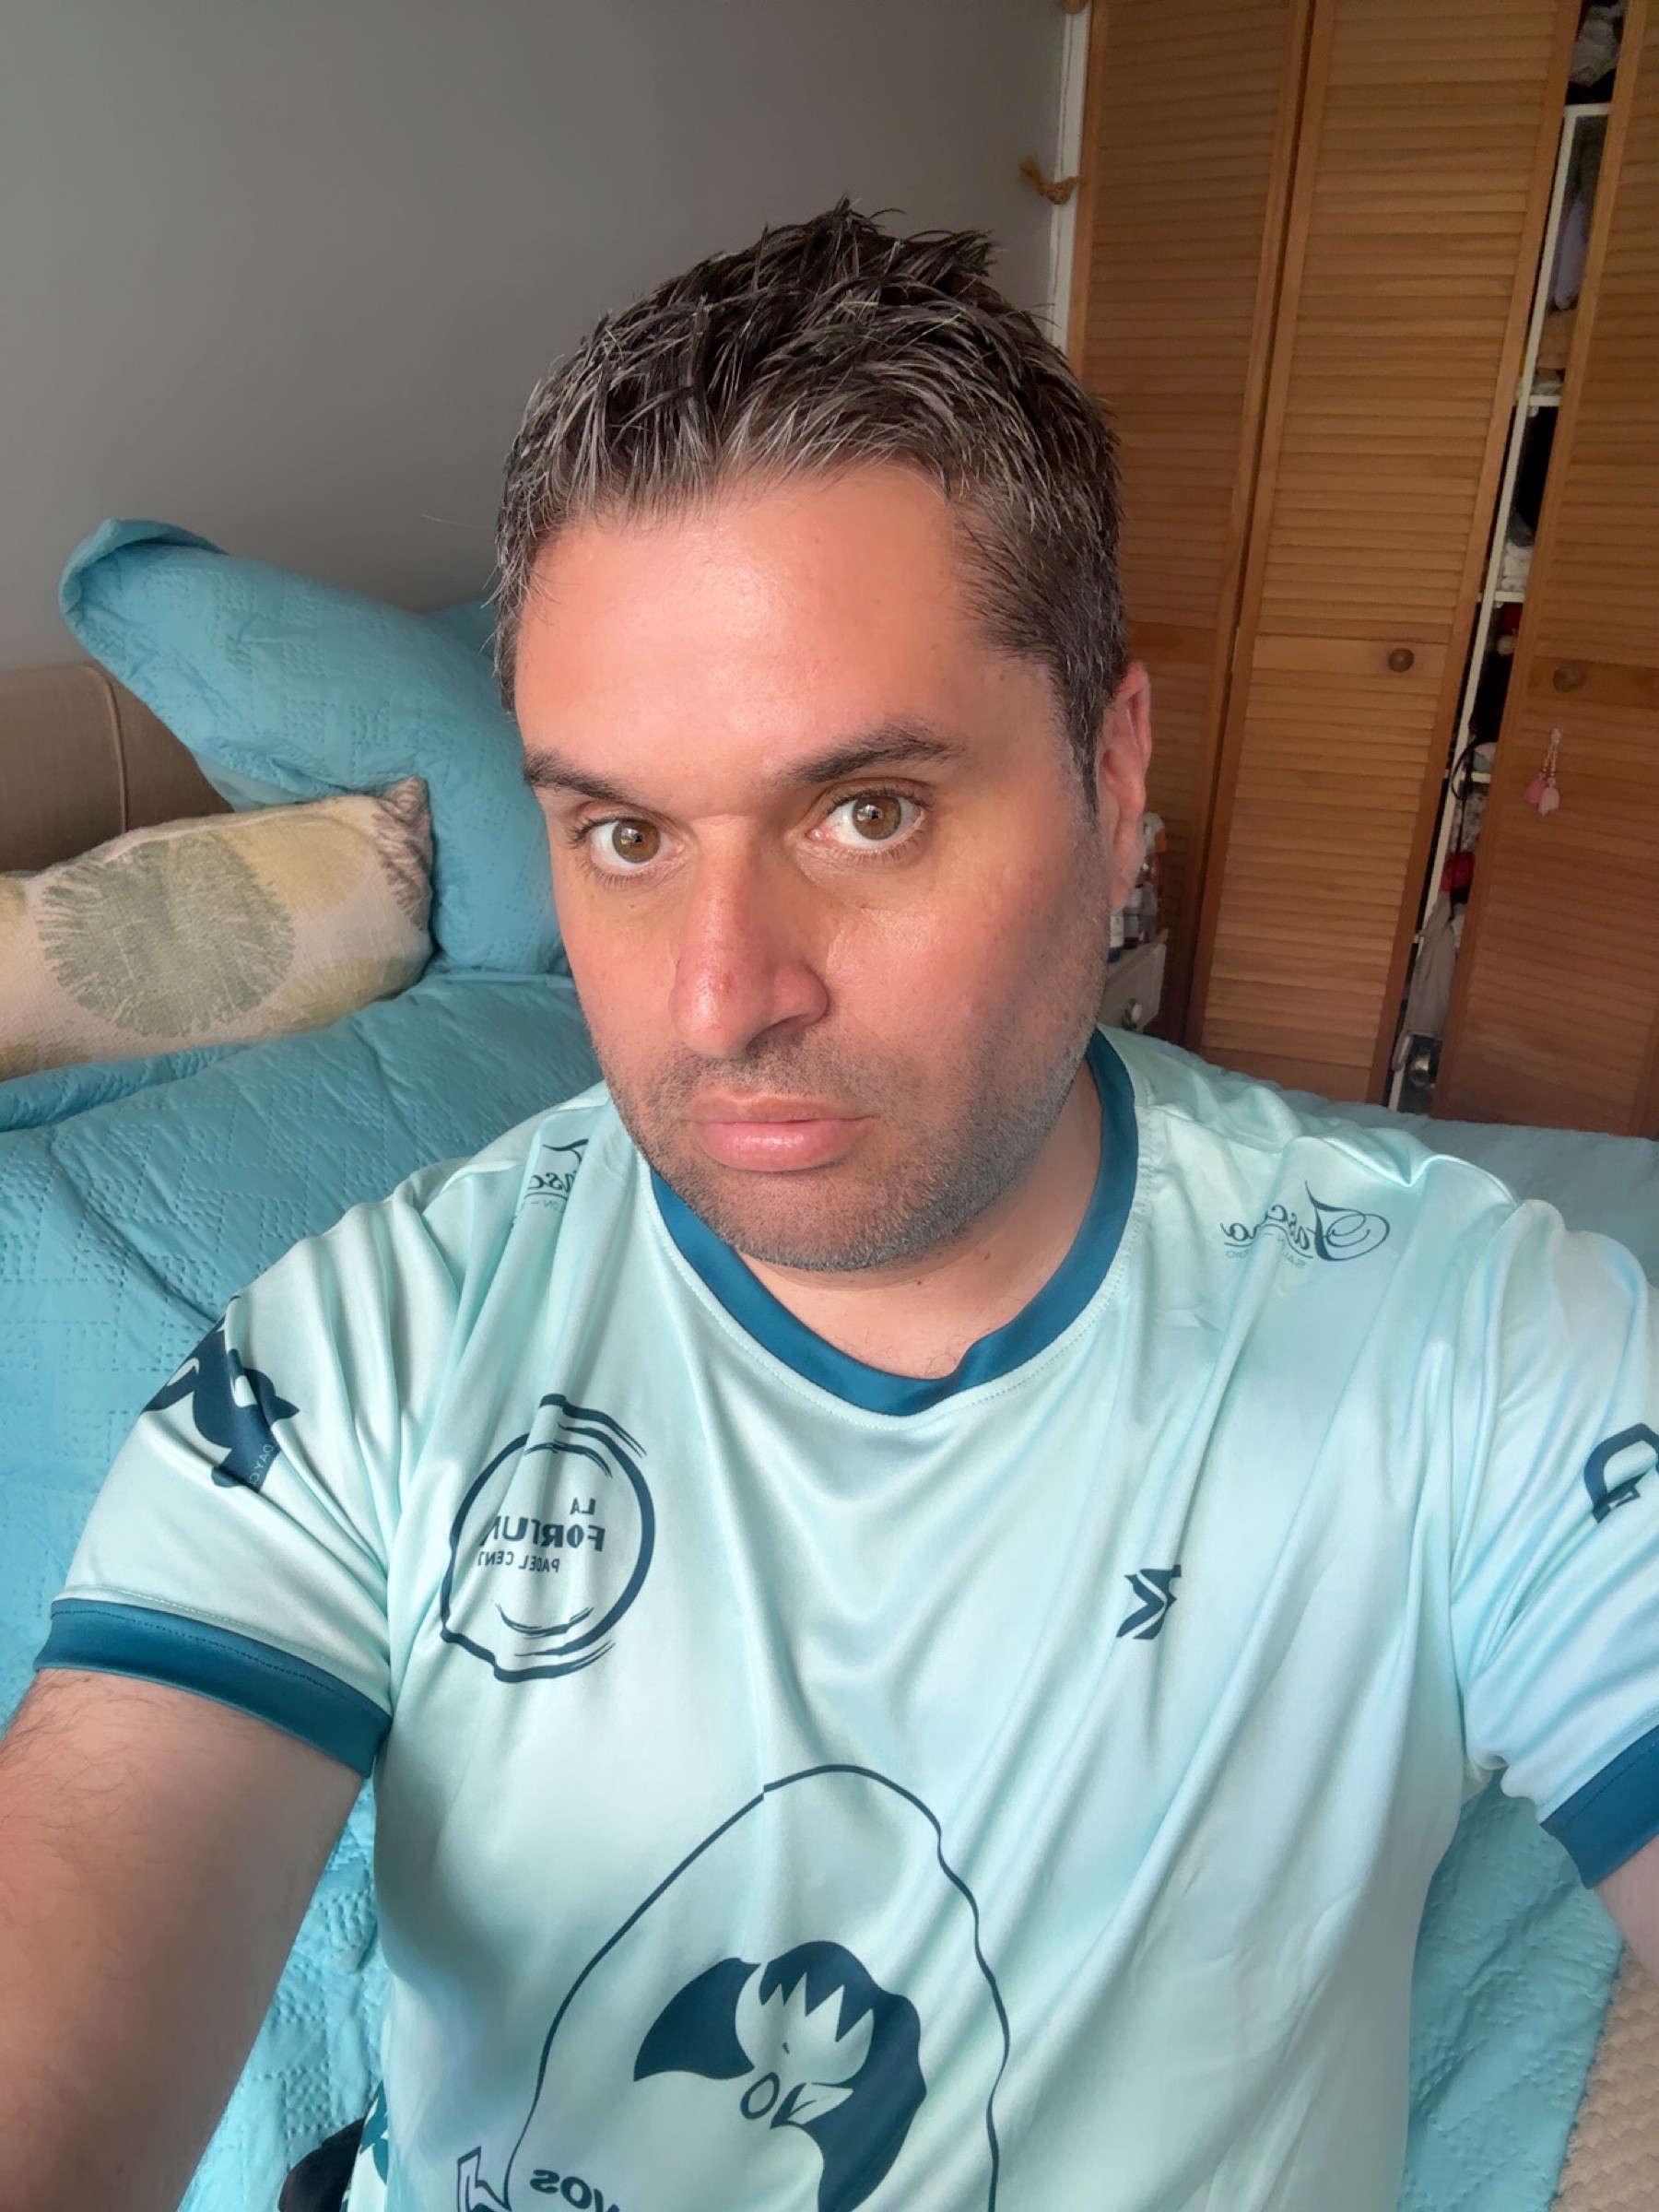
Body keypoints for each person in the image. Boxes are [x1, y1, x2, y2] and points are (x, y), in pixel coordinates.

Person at [4, 204, 1659, 2212]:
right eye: (624, 834)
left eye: (867, 812)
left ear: (1114, 774)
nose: (720, 1000)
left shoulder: (1469, 1338)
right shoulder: (363, 1350)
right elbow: (85, 1898)